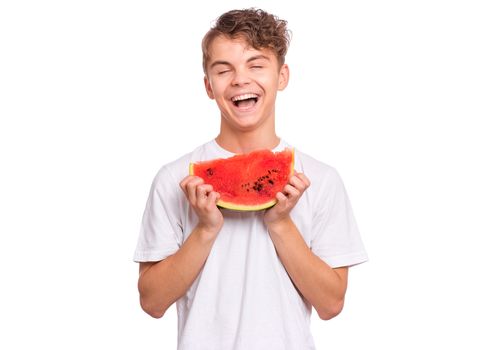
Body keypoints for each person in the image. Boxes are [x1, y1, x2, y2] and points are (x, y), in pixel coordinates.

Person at [134, 8, 368, 350]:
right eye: (223, 69)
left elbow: (331, 305)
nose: (240, 79)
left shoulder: (320, 179)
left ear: (282, 76)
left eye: (256, 65)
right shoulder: (176, 179)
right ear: (208, 86)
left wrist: (281, 224)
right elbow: (151, 303)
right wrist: (205, 229)